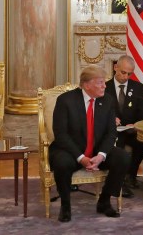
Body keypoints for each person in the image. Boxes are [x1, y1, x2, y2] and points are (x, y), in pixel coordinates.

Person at [50, 65, 128, 223]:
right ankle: (65, 206)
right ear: (87, 85)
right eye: (100, 83)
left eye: (104, 82)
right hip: (71, 150)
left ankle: (104, 201)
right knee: (61, 162)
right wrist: (81, 158)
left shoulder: (107, 100)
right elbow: (61, 134)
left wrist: (101, 155)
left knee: (123, 157)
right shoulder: (66, 101)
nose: (105, 86)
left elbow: (111, 132)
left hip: (97, 149)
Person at [104, 55, 143, 197]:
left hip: (132, 130)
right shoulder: (104, 87)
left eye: (129, 74)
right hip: (111, 131)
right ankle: (119, 180)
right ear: (115, 68)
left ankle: (131, 175)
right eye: (123, 72)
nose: (126, 76)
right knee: (118, 144)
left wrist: (136, 124)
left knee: (142, 141)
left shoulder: (137, 88)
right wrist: (110, 119)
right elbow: (97, 112)